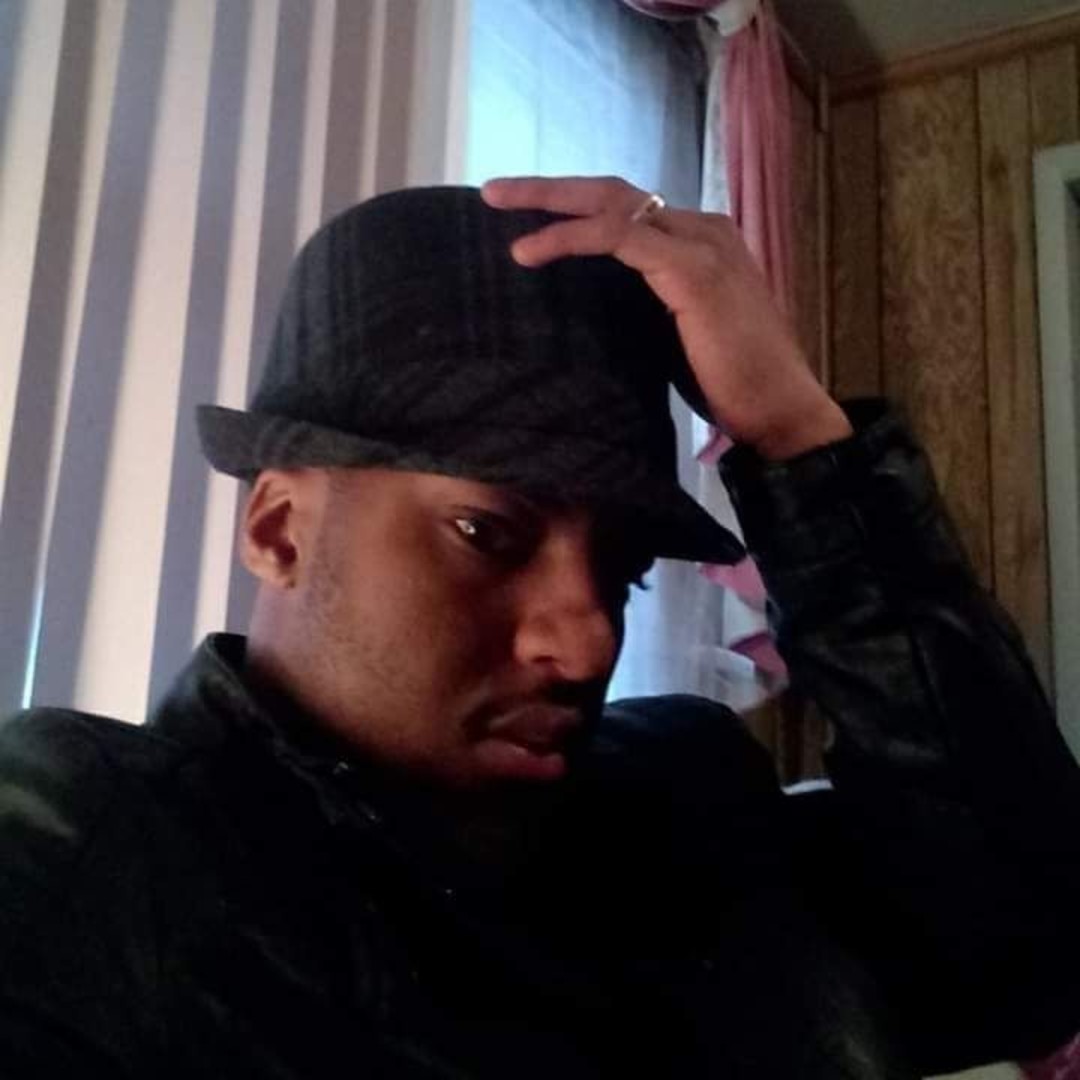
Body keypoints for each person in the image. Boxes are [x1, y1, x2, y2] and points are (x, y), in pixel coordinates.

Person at [1, 175, 1078, 1079]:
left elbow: (1024, 957)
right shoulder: (98, 857)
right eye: (488, 534)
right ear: (279, 528)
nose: (589, 644)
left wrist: (801, 440)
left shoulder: (683, 790)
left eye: (623, 569)